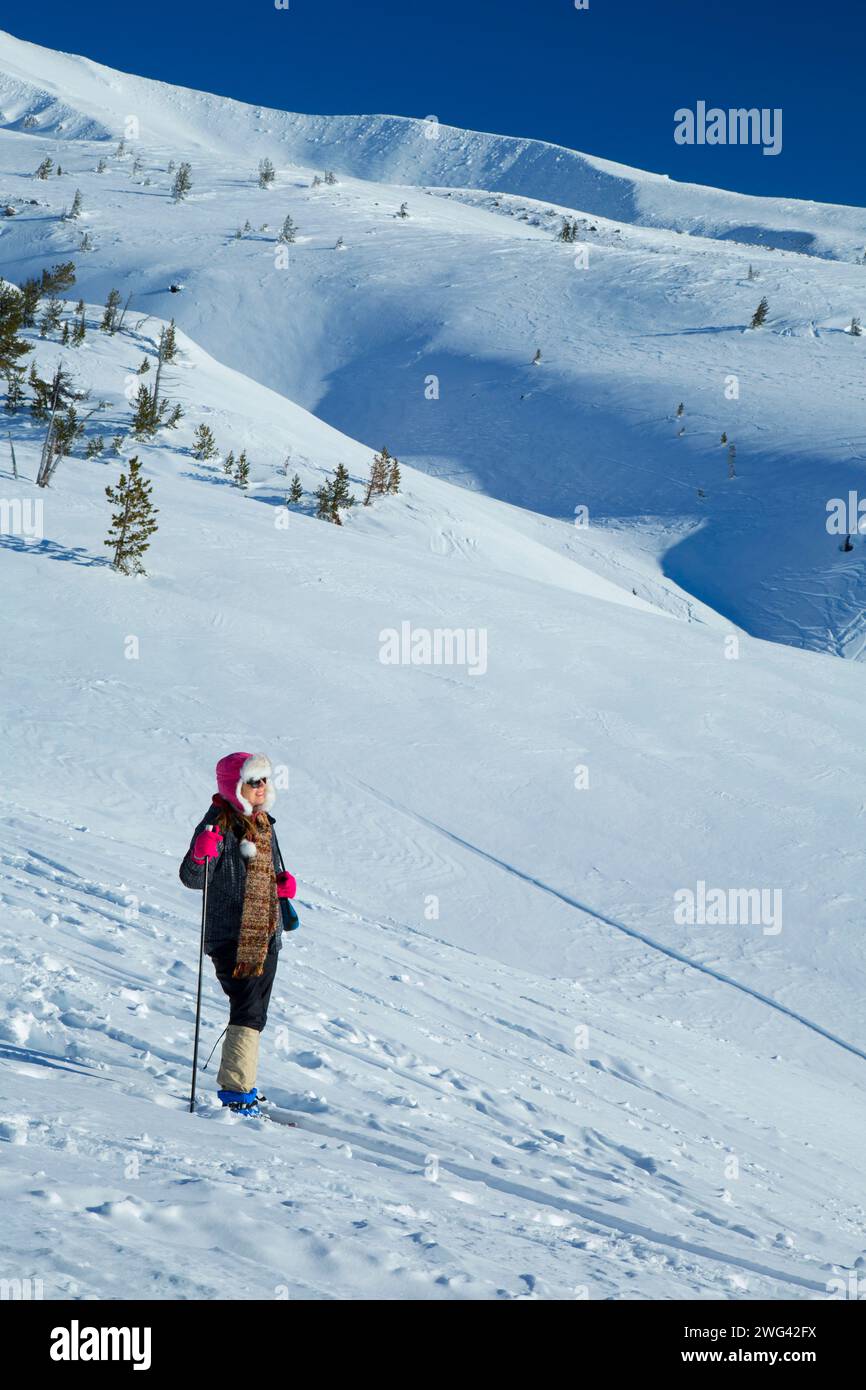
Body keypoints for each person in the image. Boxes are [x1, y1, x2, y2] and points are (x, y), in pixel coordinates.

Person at [179, 751, 298, 1117]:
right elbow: (192, 878)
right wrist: (200, 856)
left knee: (256, 1011)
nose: (261, 787)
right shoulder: (217, 823)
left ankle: (244, 1084)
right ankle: (235, 1093)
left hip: (265, 931)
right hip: (232, 934)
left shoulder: (264, 822)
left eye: (264, 779)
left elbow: (268, 868)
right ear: (235, 785)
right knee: (246, 1008)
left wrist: (282, 884)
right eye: (253, 780)